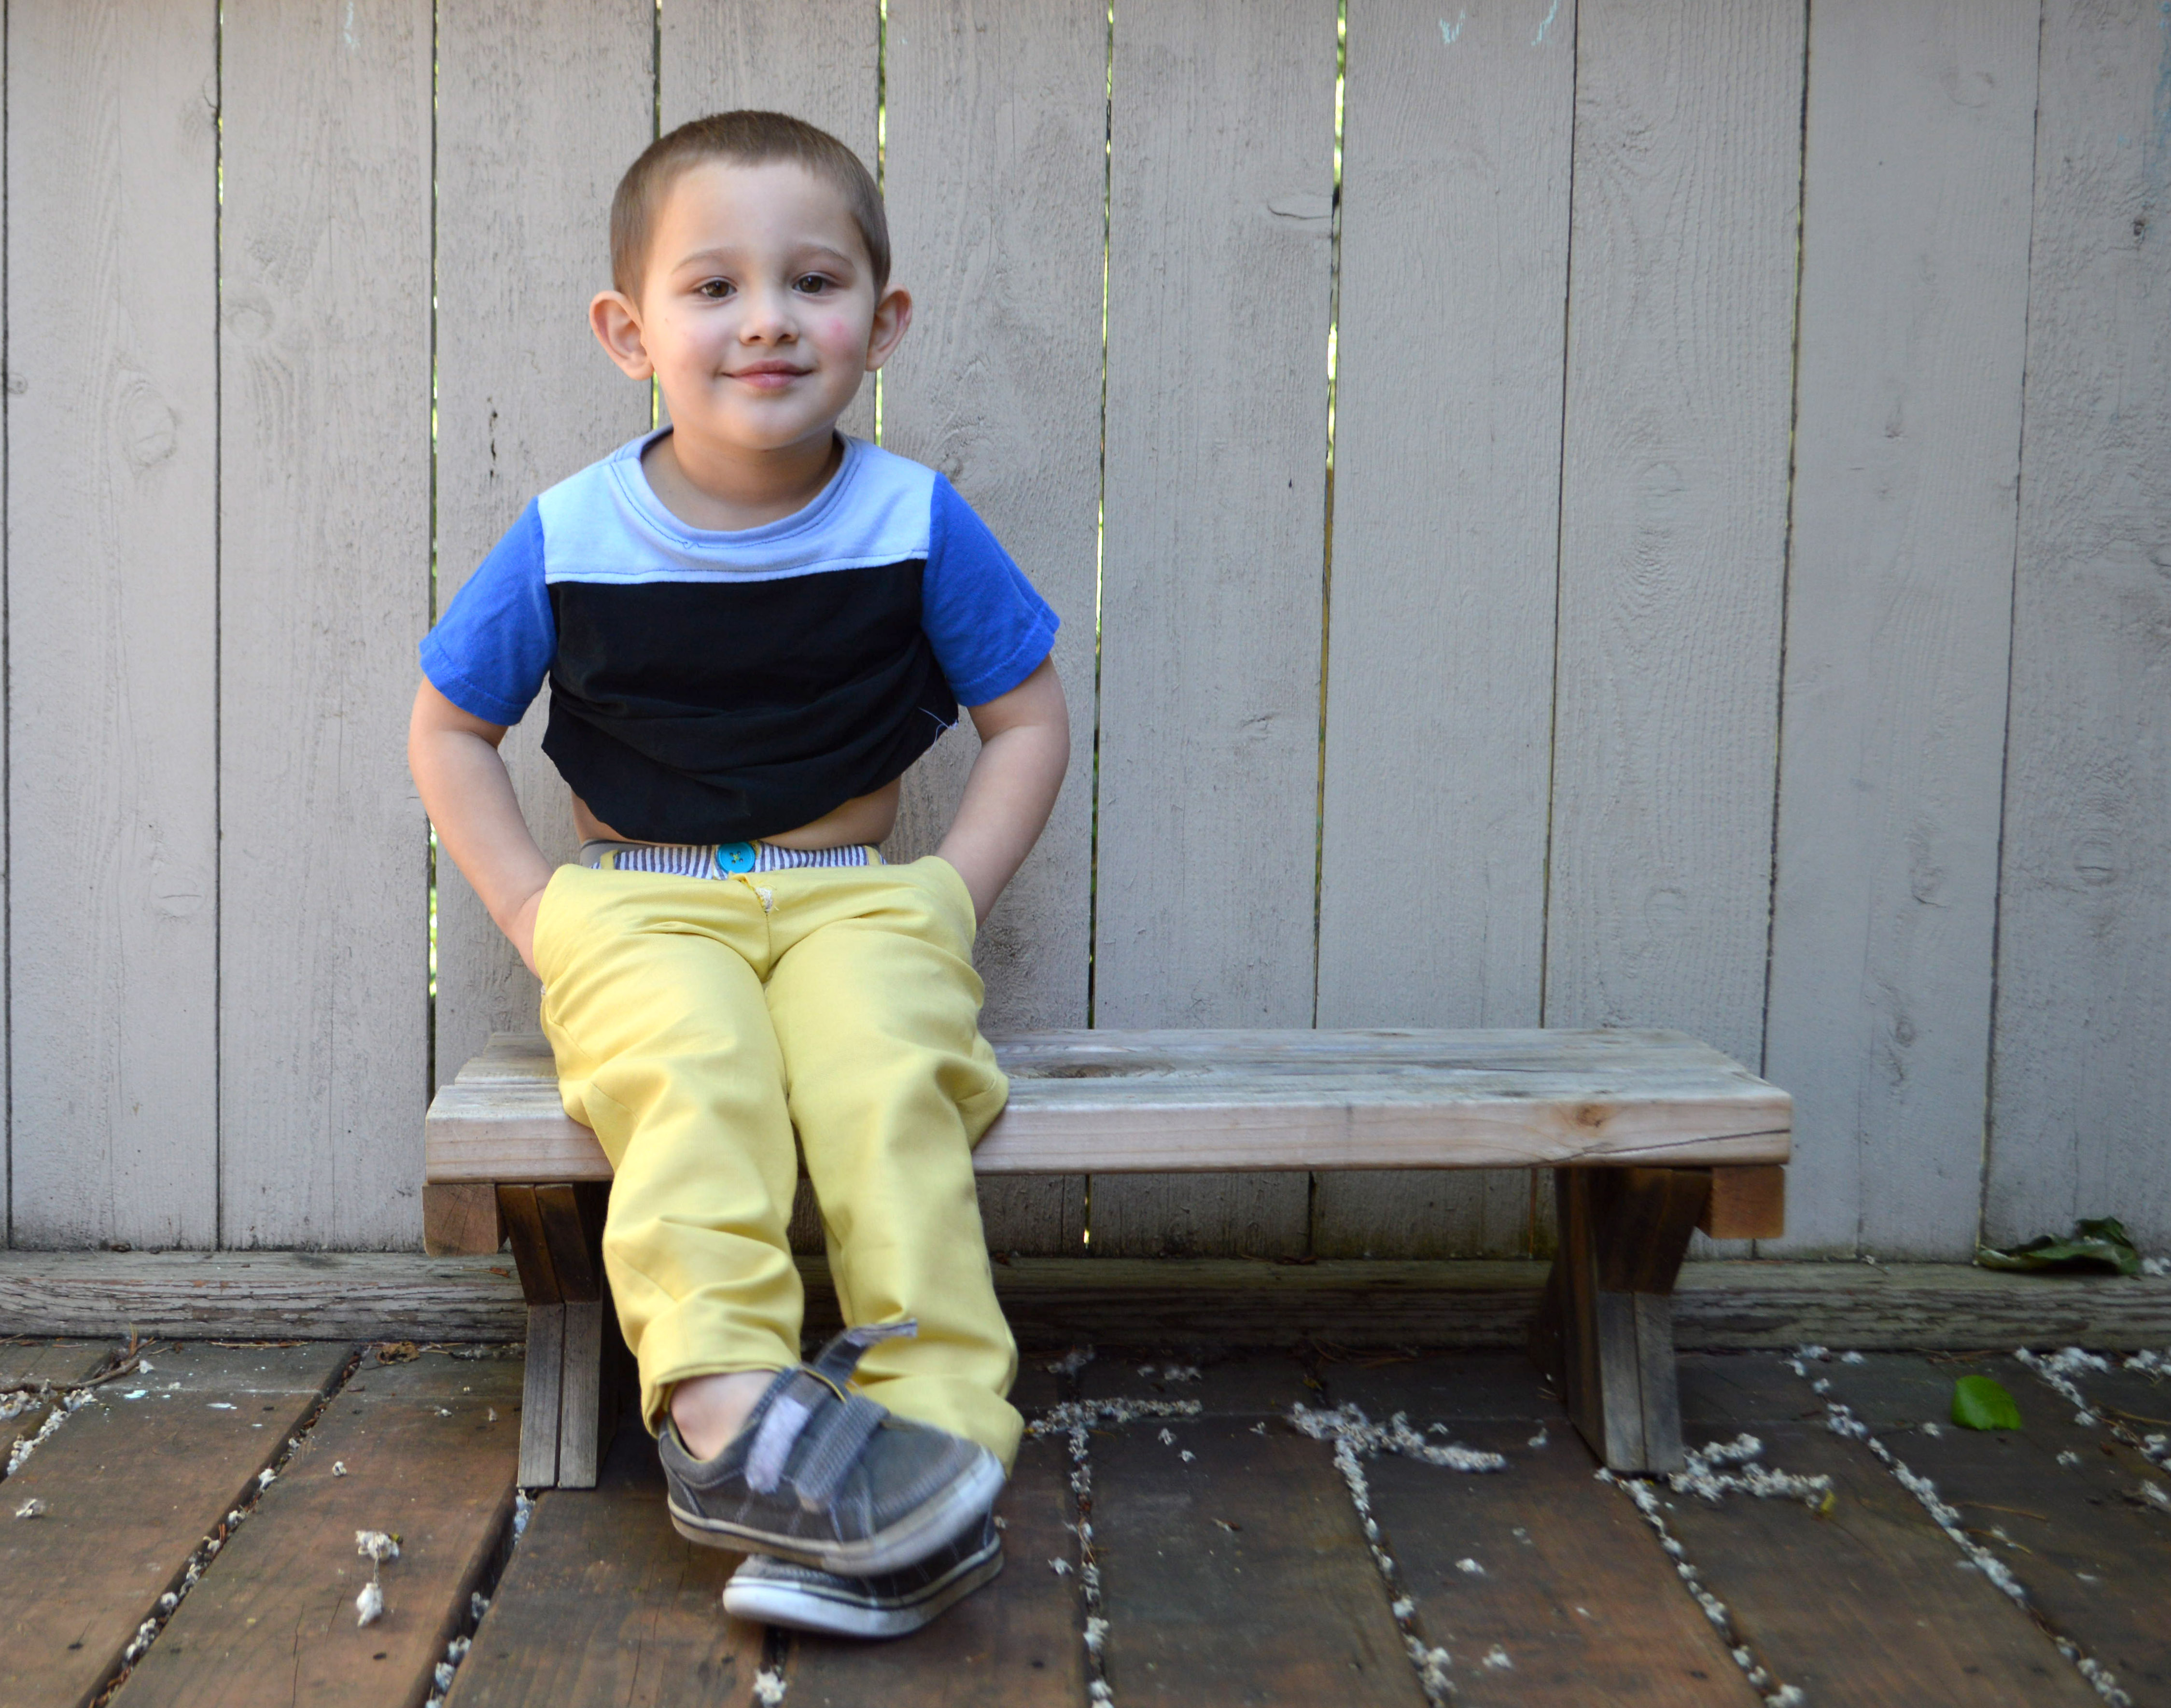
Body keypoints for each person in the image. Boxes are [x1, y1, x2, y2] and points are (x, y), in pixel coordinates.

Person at [407, 110, 1068, 1638]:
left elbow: (1026, 718)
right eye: (713, 287)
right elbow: (449, 726)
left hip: (854, 895)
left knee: (887, 1081)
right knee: (693, 1074)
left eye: (812, 281)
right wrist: (531, 908)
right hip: (637, 901)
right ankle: (729, 1411)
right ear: (628, 331)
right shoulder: (574, 530)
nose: (766, 317)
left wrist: (950, 892)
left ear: (880, 323)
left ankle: (935, 1444)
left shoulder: (912, 519)